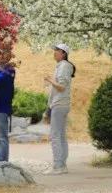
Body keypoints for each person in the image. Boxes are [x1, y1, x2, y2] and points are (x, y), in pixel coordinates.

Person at [44, 43, 76, 174]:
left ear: (63, 53)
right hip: (61, 104)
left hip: (59, 104)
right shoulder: (63, 66)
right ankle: (62, 164)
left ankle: (58, 166)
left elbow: (61, 86)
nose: (54, 52)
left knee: (55, 135)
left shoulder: (63, 66)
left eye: (57, 50)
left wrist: (50, 80)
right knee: (61, 135)